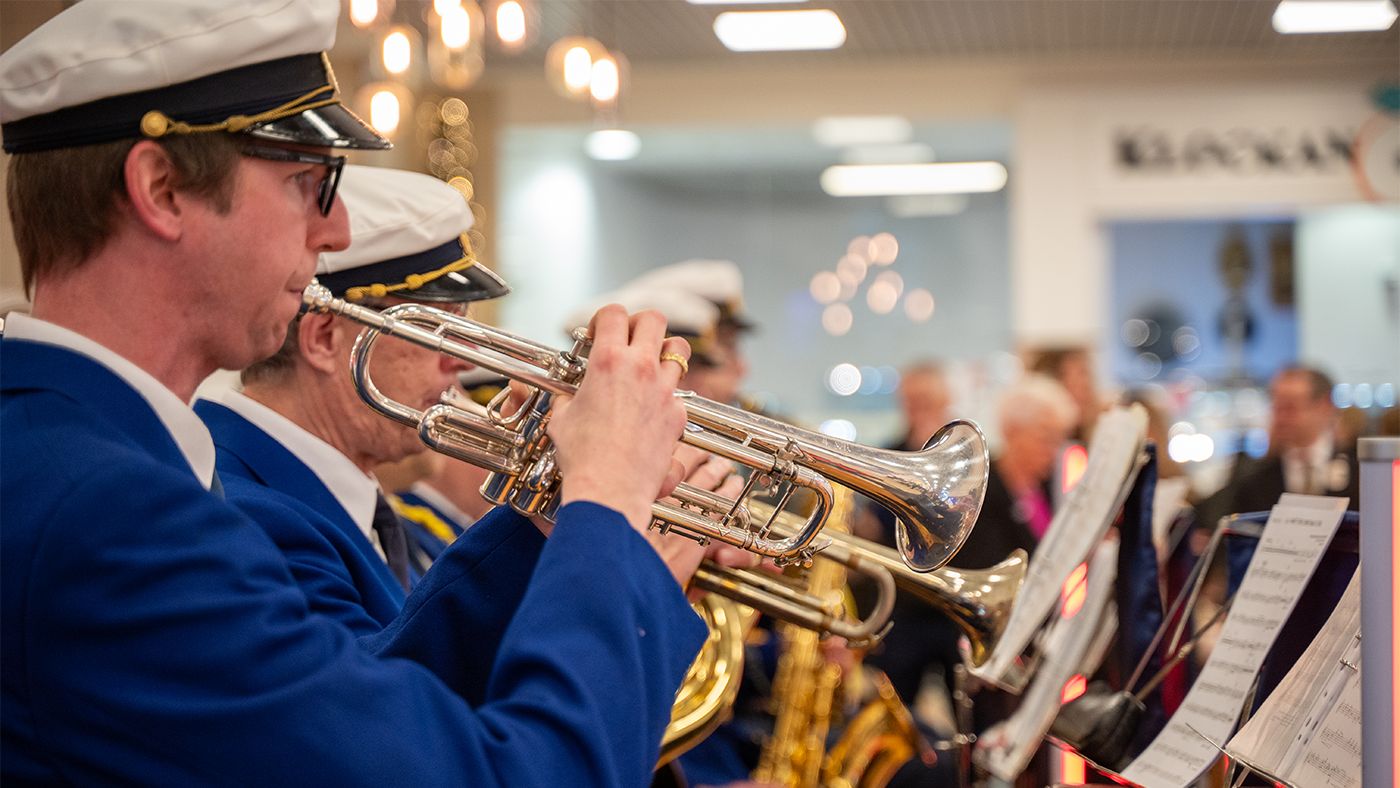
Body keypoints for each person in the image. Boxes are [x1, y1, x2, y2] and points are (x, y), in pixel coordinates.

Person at [0, 2, 712, 785]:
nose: (335, 232)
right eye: (309, 181)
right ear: (162, 188)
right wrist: (604, 505)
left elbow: (368, 703)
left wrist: (545, 520)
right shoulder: (112, 515)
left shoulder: (83, 460)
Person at [193, 164, 510, 631]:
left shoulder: (345, 501)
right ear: (324, 339)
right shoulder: (247, 512)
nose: (463, 362)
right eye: (437, 330)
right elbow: (402, 691)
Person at [1194, 365, 1359, 532]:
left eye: (1290, 408)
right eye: (1276, 407)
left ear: (1323, 406)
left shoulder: (1358, 468)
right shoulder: (1253, 475)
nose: (1280, 418)